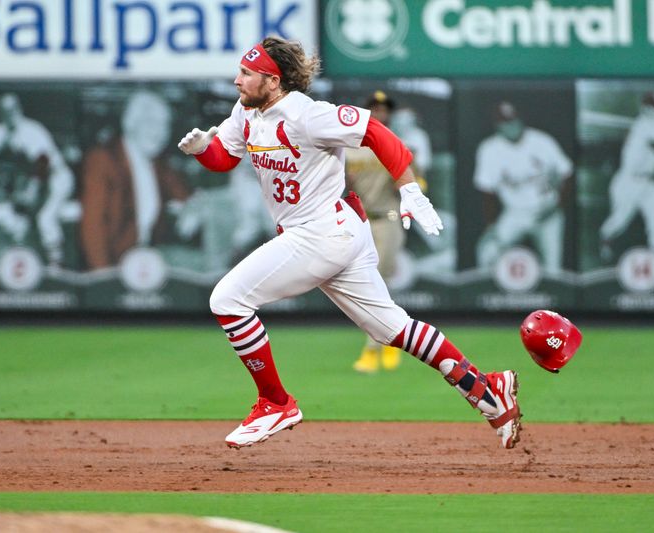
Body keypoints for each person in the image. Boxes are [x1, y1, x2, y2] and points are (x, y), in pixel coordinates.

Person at [177, 37, 522, 449]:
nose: (237, 81)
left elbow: (376, 131)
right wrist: (202, 149)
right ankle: (487, 391)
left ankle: (275, 402)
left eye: (247, 74)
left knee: (228, 300)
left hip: (322, 232)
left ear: (273, 80)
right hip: (338, 231)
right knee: (393, 328)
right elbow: (225, 158)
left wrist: (410, 190)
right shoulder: (246, 112)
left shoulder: (308, 115)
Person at [80, 90, 190, 270]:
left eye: (165, 125)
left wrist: (192, 208)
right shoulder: (103, 160)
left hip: (147, 264)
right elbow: (93, 227)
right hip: (114, 268)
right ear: (130, 123)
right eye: (151, 123)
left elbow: (186, 196)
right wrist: (102, 279)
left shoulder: (158, 164)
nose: (160, 133)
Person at [0, 93, 74, 266]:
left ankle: (57, 268)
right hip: (34, 183)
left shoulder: (31, 130)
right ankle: (29, 266)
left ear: (19, 109)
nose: (10, 113)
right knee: (14, 226)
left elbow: (43, 161)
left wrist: (32, 189)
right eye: (5, 111)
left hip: (57, 179)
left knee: (46, 219)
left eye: (12, 109)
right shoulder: (1, 132)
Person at [473, 101, 573, 275]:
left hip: (548, 212)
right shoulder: (489, 149)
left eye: (513, 121)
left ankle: (551, 301)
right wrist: (491, 226)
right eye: (505, 123)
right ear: (497, 126)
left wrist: (558, 206)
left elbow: (568, 174)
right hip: (516, 213)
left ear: (521, 120)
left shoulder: (542, 141)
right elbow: (486, 190)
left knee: (554, 269)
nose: (511, 126)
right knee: (487, 251)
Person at [345, 90, 404, 373]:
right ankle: (390, 341)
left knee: (377, 281)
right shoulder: (349, 147)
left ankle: (373, 348)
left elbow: (413, 182)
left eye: (384, 109)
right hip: (360, 221)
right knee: (372, 284)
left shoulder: (395, 144)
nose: (380, 113)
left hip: (388, 220)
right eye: (375, 108)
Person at [599, 91, 654, 261]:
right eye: (650, 106)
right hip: (629, 181)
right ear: (643, 107)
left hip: (648, 182)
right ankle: (605, 241)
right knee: (618, 222)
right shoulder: (642, 125)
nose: (653, 110)